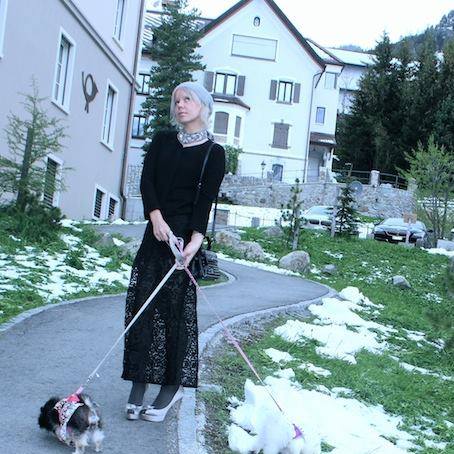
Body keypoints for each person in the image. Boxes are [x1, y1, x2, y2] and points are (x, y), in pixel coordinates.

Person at [121, 81, 225, 422]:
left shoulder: (213, 152)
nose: (180, 105)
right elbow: (147, 181)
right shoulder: (163, 141)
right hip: (155, 232)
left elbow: (205, 201)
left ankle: (171, 387)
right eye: (176, 100)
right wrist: (155, 217)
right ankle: (138, 384)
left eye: (187, 99)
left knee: (175, 314)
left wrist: (194, 242)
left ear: (204, 105)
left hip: (181, 239)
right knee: (142, 307)